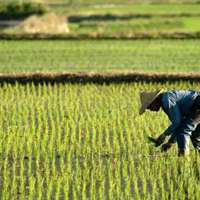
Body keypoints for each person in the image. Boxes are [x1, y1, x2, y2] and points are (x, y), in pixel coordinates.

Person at [139, 89, 200, 156]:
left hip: (197, 104)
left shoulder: (166, 100)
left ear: (153, 101)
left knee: (184, 131)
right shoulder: (166, 99)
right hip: (196, 105)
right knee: (195, 135)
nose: (150, 109)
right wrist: (170, 142)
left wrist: (164, 135)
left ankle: (183, 158)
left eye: (149, 106)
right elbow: (179, 124)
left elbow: (177, 122)